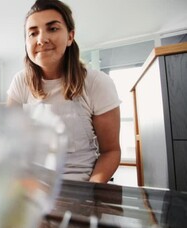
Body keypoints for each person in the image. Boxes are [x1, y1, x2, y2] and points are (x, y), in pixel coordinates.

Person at [7, 0, 121, 183]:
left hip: (81, 185)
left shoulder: (97, 83)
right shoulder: (20, 82)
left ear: (70, 36)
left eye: (52, 29)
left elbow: (110, 151)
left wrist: (91, 191)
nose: (41, 39)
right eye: (33, 33)